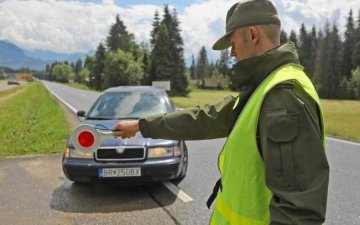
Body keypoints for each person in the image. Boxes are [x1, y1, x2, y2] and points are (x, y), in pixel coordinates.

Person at [113, 0, 329, 224]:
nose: (233, 53)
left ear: (253, 35)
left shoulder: (282, 97)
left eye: (233, 43)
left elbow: (298, 213)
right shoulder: (263, 90)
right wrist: (141, 125)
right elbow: (203, 118)